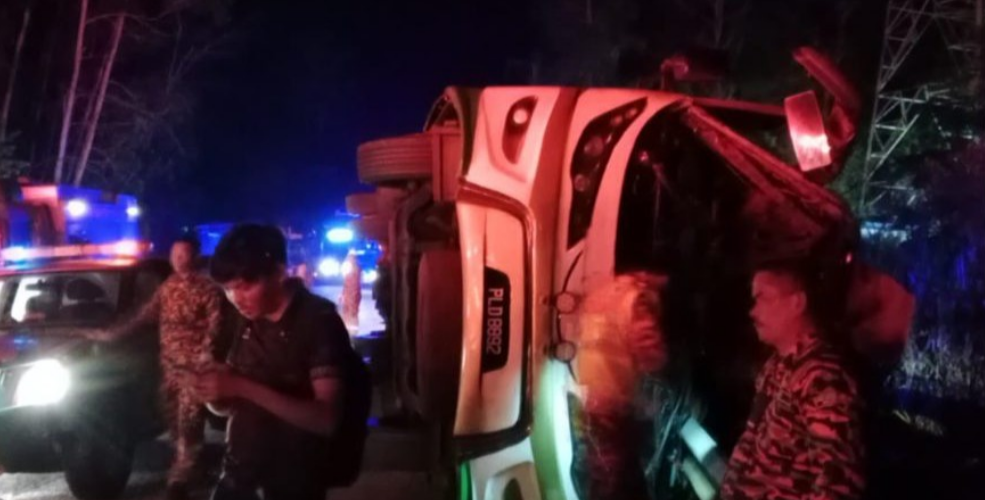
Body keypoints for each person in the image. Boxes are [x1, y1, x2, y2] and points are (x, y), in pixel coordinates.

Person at [191, 224, 370, 500]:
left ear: (278, 272)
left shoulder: (318, 321)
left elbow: (326, 418)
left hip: (296, 476)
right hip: (242, 473)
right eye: (228, 289)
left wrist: (240, 386)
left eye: (245, 286)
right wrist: (213, 393)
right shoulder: (246, 320)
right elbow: (234, 406)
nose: (236, 298)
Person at [89, 236, 223, 500]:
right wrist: (111, 335)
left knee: (188, 422)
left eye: (184, 254)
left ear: (195, 256)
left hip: (194, 370)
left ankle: (177, 483)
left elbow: (216, 325)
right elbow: (144, 316)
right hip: (169, 368)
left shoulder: (207, 289)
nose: (179, 260)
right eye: (175, 254)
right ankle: (193, 467)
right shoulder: (168, 287)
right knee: (174, 423)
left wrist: (206, 355)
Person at [720, 265, 866, 500]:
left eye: (763, 298)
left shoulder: (823, 377)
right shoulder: (776, 365)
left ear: (797, 303)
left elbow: (836, 485)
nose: (753, 312)